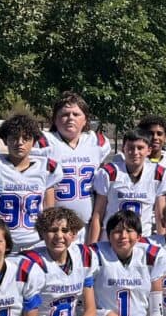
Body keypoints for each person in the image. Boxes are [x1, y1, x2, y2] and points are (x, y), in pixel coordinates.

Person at [0, 114, 60, 252]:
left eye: (26, 138)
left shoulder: (47, 168)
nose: (20, 142)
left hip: (35, 243)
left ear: (34, 141)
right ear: (5, 140)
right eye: (14, 137)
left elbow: (49, 214)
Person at [33, 91, 112, 242]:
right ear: (55, 120)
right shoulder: (44, 142)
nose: (70, 118)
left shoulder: (97, 142)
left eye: (76, 114)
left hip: (86, 227)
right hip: (55, 227)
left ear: (85, 120)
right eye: (64, 114)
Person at [88, 129, 166, 242]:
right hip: (111, 238)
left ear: (149, 150)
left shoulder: (158, 174)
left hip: (141, 239)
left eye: (140, 148)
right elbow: (98, 214)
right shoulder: (109, 172)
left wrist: (162, 243)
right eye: (131, 148)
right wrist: (92, 247)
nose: (135, 152)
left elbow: (159, 215)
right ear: (123, 149)